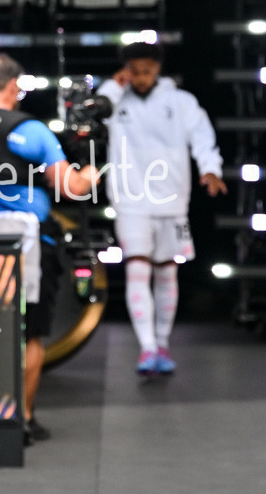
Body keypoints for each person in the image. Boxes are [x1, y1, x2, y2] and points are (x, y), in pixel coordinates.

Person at [0, 52, 98, 445]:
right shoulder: (31, 129)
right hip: (27, 246)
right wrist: (92, 169)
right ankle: (23, 418)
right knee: (29, 333)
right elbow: (71, 186)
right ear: (14, 86)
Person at [96, 41, 226, 376]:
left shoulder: (180, 102)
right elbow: (91, 113)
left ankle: (162, 342)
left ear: (158, 68)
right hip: (130, 200)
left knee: (167, 272)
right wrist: (113, 85)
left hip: (172, 201)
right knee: (137, 270)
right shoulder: (113, 100)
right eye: (134, 71)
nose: (141, 78)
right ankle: (147, 347)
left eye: (147, 71)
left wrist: (210, 168)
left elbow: (202, 136)